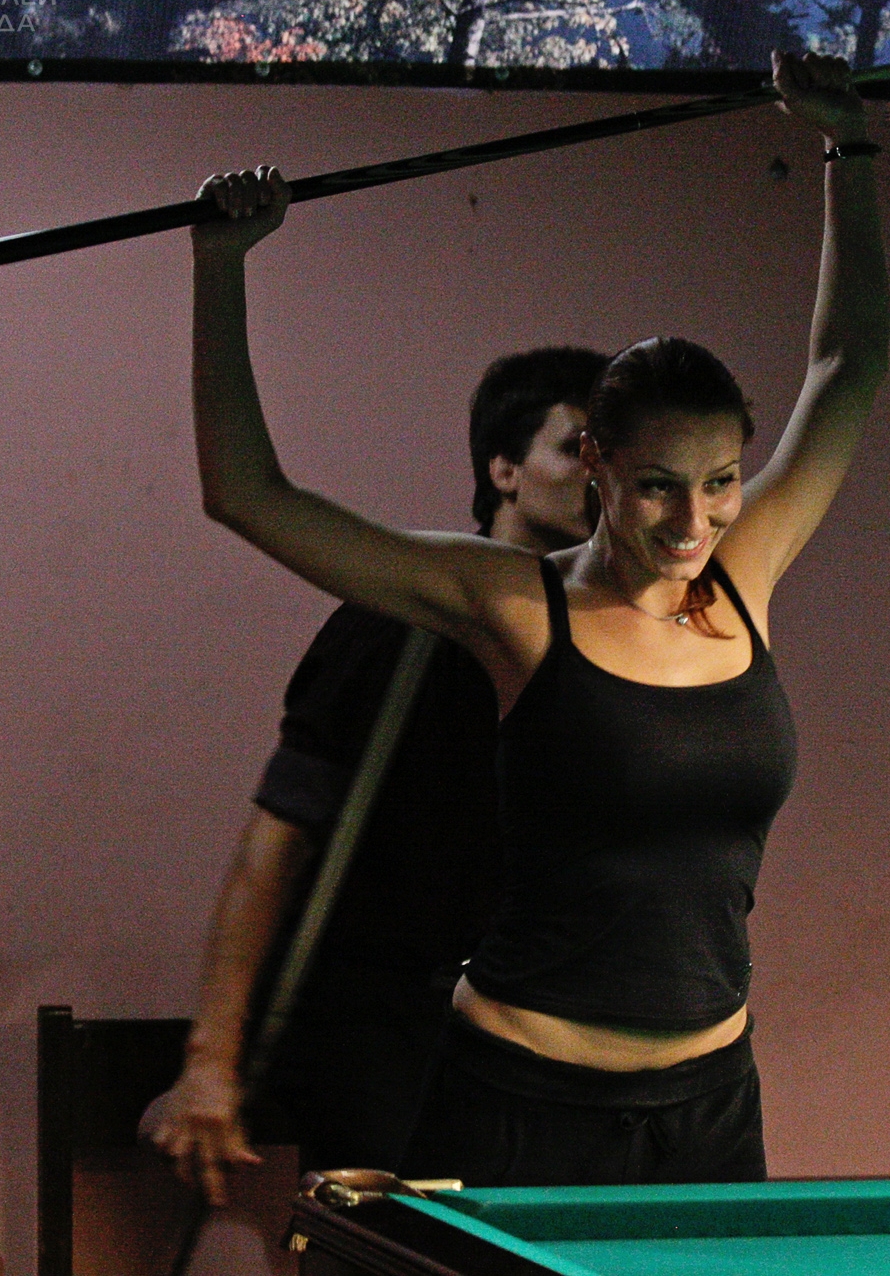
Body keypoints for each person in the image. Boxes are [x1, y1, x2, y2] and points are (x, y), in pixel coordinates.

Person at [184, 50, 886, 1185]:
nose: (693, 519)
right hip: (521, 1099)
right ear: (596, 464)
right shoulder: (516, 604)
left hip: (709, 1103)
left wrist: (845, 144)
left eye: (719, 482)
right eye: (657, 485)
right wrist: (220, 267)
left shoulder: (743, 576)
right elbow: (249, 495)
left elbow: (848, 366)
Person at [141, 347, 607, 1205]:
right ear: (503, 470)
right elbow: (277, 840)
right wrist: (210, 1060)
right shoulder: (396, 623)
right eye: (576, 444)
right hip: (393, 1039)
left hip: (547, 1044)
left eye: (612, 450)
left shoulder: (614, 642)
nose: (599, 472)